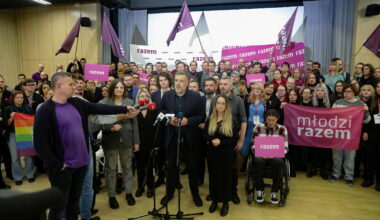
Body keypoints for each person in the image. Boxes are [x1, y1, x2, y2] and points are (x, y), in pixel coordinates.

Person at [33, 72, 134, 220]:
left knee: (73, 202)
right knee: (59, 205)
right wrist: (55, 164)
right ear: (59, 86)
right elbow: (40, 144)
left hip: (81, 163)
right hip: (63, 167)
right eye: (71, 84)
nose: (75, 87)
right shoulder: (45, 110)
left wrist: (124, 109)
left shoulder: (76, 103)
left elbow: (98, 108)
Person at [159, 71, 205, 207]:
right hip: (172, 137)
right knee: (171, 166)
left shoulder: (197, 97)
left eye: (181, 81)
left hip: (190, 138)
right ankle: (169, 193)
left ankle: (195, 194)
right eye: (176, 80)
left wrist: (188, 121)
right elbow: (161, 112)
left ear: (187, 83)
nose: (178, 83)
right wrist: (168, 120)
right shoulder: (167, 95)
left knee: (192, 167)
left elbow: (202, 116)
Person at [98, 79, 140, 208]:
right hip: (110, 140)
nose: (119, 90)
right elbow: (99, 121)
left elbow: (134, 124)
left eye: (122, 88)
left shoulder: (130, 102)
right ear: (112, 89)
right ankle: (111, 196)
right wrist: (110, 128)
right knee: (111, 169)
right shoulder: (103, 103)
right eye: (117, 87)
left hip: (127, 140)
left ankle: (128, 193)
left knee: (127, 167)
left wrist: (136, 141)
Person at [209, 76, 247, 204]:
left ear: (231, 86)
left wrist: (241, 140)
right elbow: (211, 118)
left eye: (225, 84)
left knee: (232, 169)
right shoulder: (215, 99)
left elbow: (243, 121)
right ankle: (214, 192)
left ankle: (233, 192)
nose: (223, 86)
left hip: (231, 141)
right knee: (215, 169)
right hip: (216, 141)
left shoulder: (238, 101)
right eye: (221, 84)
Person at [204, 95, 238, 217]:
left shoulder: (232, 120)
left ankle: (225, 203)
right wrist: (212, 139)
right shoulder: (210, 118)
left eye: (223, 103)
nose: (220, 105)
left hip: (226, 154)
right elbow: (205, 134)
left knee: (225, 179)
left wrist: (221, 142)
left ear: (226, 106)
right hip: (212, 153)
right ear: (215, 105)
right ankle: (214, 201)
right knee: (213, 177)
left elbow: (234, 139)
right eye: (218, 103)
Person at [331, 84, 371, 187]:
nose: (346, 93)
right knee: (336, 156)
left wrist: (365, 111)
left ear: (354, 92)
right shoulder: (337, 103)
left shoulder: (360, 104)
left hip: (352, 136)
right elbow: (331, 117)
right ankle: (336, 174)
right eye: (345, 92)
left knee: (350, 158)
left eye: (349, 91)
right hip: (338, 134)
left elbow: (367, 121)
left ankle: (349, 177)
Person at [252, 109, 288, 204]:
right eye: (269, 120)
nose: (271, 122)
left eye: (273, 120)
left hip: (275, 156)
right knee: (257, 160)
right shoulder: (258, 127)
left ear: (277, 119)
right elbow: (253, 144)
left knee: (278, 161)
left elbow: (285, 147)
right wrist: (260, 152)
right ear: (266, 119)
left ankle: (275, 191)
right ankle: (260, 189)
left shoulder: (282, 129)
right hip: (261, 155)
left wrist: (275, 154)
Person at [3, 91, 35, 185]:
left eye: (21, 97)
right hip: (13, 135)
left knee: (28, 155)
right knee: (14, 158)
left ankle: (30, 174)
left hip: (26, 134)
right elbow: (6, 124)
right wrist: (11, 118)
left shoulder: (28, 109)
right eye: (17, 97)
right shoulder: (8, 109)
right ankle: (18, 177)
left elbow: (33, 121)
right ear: (13, 99)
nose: (20, 99)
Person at [135, 89, 160, 198]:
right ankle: (140, 187)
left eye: (146, 96)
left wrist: (157, 144)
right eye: (141, 96)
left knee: (150, 167)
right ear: (138, 98)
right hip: (138, 143)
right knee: (140, 167)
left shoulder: (154, 109)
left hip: (151, 143)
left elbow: (158, 128)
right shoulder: (134, 110)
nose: (144, 98)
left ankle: (150, 187)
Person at [308, 83, 331, 180]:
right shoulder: (311, 103)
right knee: (313, 151)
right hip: (313, 131)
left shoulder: (329, 103)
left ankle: (323, 169)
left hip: (325, 132)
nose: (320, 92)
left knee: (324, 151)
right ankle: (313, 168)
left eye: (322, 90)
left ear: (325, 92)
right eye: (318, 90)